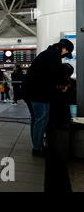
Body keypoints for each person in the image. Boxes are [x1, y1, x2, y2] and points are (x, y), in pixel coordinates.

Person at [22, 38, 74, 156]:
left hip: (30, 91)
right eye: (67, 53)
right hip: (39, 93)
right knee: (41, 119)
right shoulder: (54, 56)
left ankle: (37, 145)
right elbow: (54, 76)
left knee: (36, 119)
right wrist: (62, 86)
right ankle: (37, 148)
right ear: (64, 48)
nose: (65, 55)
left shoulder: (46, 54)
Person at [44, 62, 75, 192]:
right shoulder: (72, 84)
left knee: (53, 146)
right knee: (62, 148)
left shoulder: (51, 85)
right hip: (65, 119)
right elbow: (72, 100)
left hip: (52, 119)